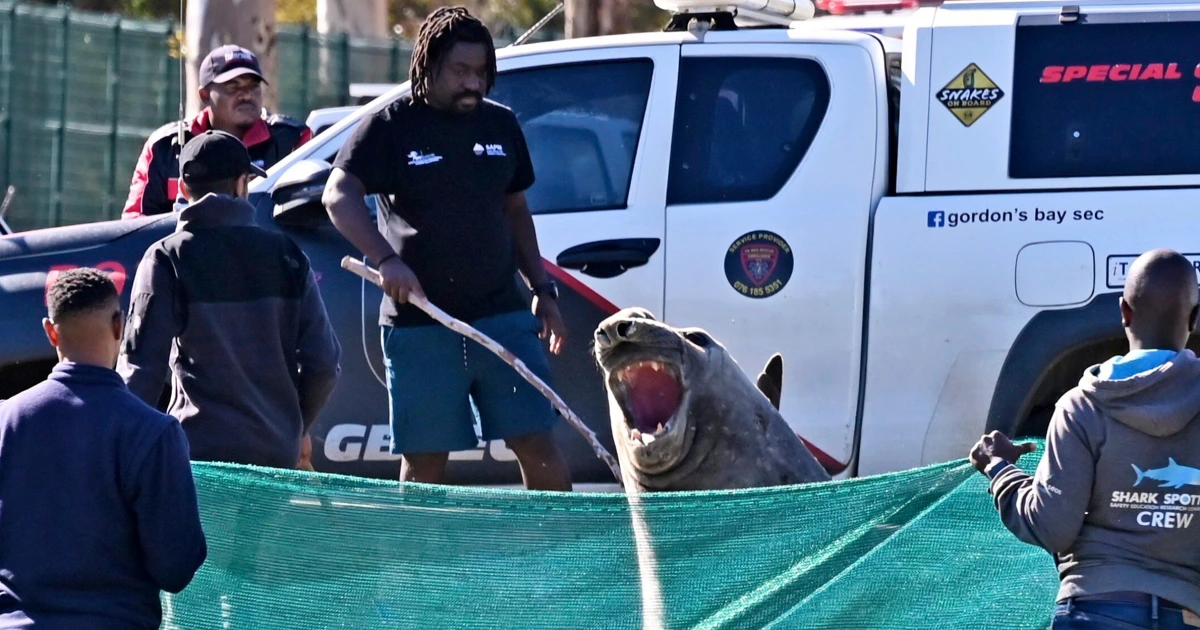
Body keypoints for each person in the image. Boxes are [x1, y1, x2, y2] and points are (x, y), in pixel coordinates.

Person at [322, 7, 572, 491]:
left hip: (503, 316)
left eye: (481, 72)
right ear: (429, 65)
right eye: (460, 71)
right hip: (422, 323)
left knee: (537, 443)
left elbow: (516, 210)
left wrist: (542, 289)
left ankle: (557, 557)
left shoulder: (500, 126)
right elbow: (338, 196)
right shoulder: (390, 126)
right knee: (425, 461)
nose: (473, 84)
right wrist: (386, 260)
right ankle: (420, 567)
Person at [971, 248, 1200, 630]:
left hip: (1094, 608)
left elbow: (1052, 525)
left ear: (1124, 312)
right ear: (1194, 319)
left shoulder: (1081, 406)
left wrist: (1000, 469)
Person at [118, 130, 341, 470]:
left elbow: (140, 371)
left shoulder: (166, 258)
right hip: (274, 459)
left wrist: (125, 455)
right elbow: (323, 363)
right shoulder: (287, 255)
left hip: (197, 459)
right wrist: (293, 426)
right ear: (241, 184)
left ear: (182, 189)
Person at [0, 268, 207, 629]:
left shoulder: (5, 420)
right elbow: (176, 567)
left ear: (50, 331)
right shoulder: (154, 432)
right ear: (120, 326)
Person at [121, 44, 312, 219]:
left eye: (253, 86)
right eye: (233, 87)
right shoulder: (166, 146)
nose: (246, 95)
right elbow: (135, 223)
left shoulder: (292, 140)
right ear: (204, 95)